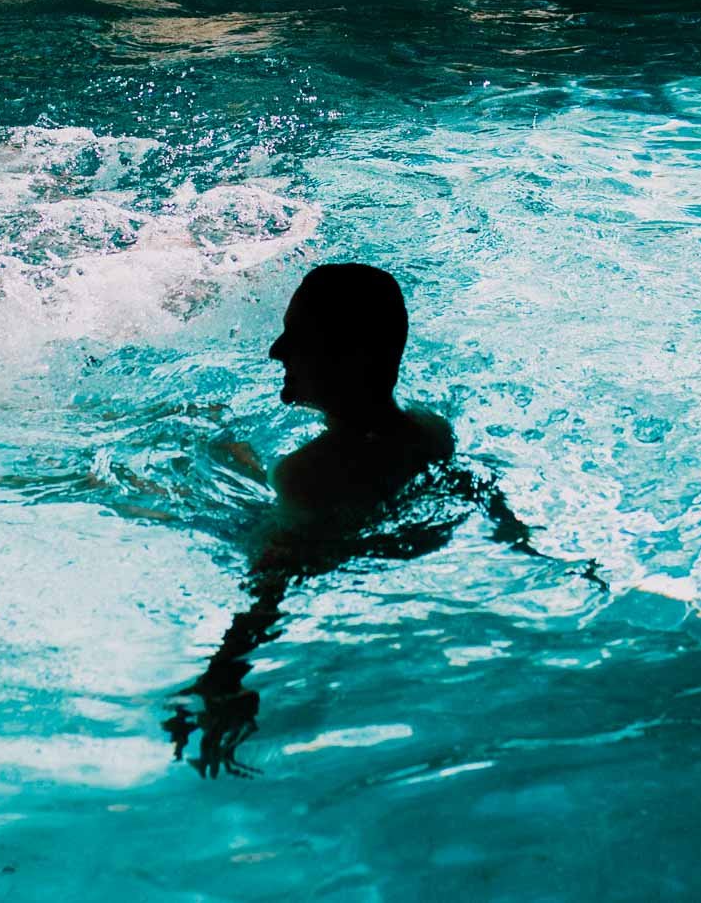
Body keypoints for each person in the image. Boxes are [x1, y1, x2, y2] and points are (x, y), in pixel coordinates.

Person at [166, 264, 595, 778]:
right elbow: (472, 486)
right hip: (381, 536)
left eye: (297, 338)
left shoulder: (306, 474)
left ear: (352, 359)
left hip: (317, 546)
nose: (277, 351)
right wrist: (524, 544)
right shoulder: (431, 433)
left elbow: (271, 582)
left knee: (186, 463)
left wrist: (223, 673)